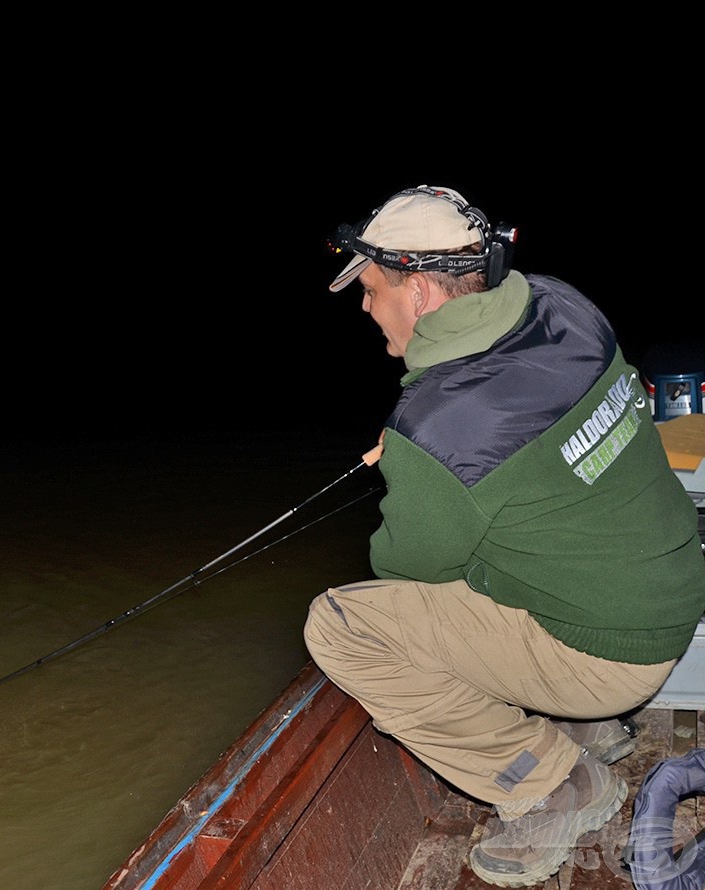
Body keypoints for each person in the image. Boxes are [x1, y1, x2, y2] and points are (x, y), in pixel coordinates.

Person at [302, 184, 705, 888]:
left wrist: (412, 468)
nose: (366, 308)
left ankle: (553, 782)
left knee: (340, 625)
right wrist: (429, 468)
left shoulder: (438, 424)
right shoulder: (561, 305)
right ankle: (590, 725)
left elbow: (401, 566)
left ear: (420, 293)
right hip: (676, 592)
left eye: (371, 289)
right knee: (505, 531)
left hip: (615, 655)